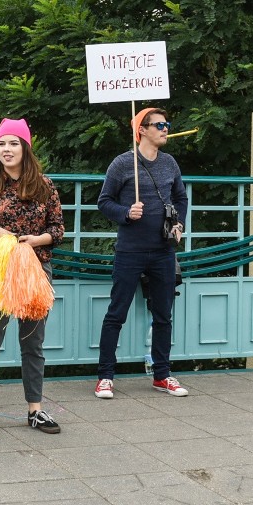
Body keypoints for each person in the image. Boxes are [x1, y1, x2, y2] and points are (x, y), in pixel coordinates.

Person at [0, 118, 65, 440]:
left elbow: (58, 230)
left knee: (33, 344)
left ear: (26, 147)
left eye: (13, 143)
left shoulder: (45, 186)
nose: (6, 150)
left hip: (35, 271)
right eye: (1, 144)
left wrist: (38, 240)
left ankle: (35, 409)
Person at [94, 107, 189, 399]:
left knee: (163, 316)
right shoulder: (123, 164)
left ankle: (162, 375)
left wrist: (180, 224)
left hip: (163, 250)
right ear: (142, 130)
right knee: (116, 313)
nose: (165, 129)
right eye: (159, 125)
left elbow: (181, 198)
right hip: (130, 251)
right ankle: (105, 377)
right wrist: (126, 212)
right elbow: (104, 202)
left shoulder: (170, 163)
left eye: (166, 124)